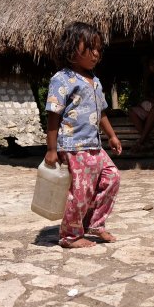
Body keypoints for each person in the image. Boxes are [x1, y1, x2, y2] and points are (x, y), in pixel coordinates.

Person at [45, 22, 123, 248]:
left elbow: (101, 112)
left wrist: (112, 136)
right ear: (71, 49)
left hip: (94, 144)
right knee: (80, 191)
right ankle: (70, 235)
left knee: (112, 177)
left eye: (99, 48)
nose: (96, 53)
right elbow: (53, 115)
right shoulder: (62, 79)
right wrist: (51, 149)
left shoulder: (95, 81)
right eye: (90, 48)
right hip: (73, 146)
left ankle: (95, 224)